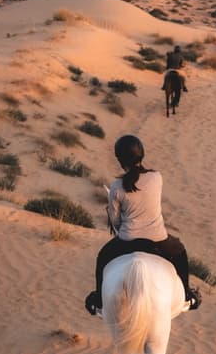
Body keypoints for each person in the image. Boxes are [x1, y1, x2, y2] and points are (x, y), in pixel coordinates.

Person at [85, 135, 200, 315]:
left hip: (127, 240)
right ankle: (187, 294)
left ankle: (99, 300)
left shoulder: (116, 187)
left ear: (120, 160)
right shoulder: (156, 177)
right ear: (141, 155)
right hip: (158, 239)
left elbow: (115, 221)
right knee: (180, 253)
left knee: (103, 257)